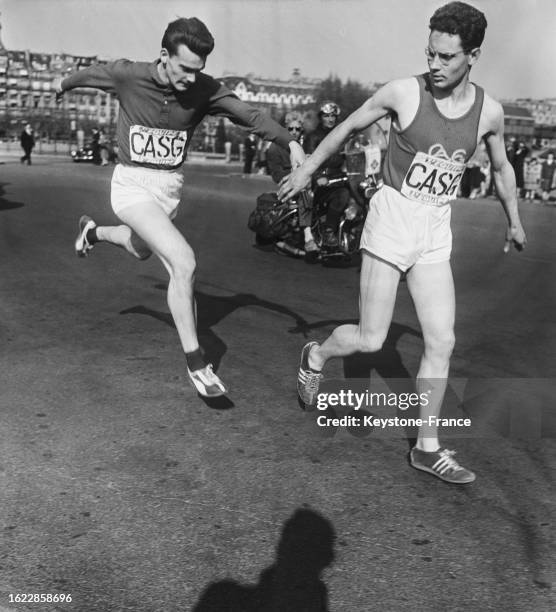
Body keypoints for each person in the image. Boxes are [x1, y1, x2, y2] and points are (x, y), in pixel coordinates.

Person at [279, 1, 526, 484]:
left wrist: (514, 220)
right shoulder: (404, 92)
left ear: (472, 55)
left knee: (443, 340)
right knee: (372, 339)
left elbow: (501, 167)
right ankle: (316, 355)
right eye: (430, 53)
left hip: (435, 227)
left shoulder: (489, 112)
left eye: (446, 58)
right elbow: (350, 125)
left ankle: (427, 448)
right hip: (393, 217)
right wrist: (307, 169)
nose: (434, 65)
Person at [53, 16, 304, 398]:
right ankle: (197, 363)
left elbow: (249, 116)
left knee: (140, 250)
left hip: (168, 191)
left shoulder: (204, 90)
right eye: (184, 68)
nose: (190, 77)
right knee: (183, 261)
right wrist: (63, 83)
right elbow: (90, 72)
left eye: (198, 70)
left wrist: (292, 142)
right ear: (164, 56)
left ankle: (95, 232)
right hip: (132, 185)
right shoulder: (128, 75)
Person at [266, 111, 319, 259]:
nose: (295, 132)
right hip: (289, 184)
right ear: (286, 129)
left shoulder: (305, 144)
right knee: (304, 192)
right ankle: (308, 237)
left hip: (309, 180)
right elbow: (276, 174)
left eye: (298, 129)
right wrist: (294, 176)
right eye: (291, 129)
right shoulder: (275, 147)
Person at [304, 101, 351, 248]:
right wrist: (318, 177)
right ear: (321, 117)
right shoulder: (313, 137)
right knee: (342, 195)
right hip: (320, 180)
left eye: (333, 116)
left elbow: (350, 155)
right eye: (326, 116)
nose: (330, 119)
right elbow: (309, 160)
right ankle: (328, 232)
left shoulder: (341, 136)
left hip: (337, 178)